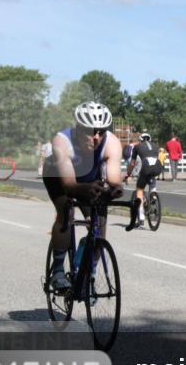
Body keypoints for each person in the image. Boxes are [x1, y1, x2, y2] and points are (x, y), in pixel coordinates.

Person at [42, 101, 124, 292]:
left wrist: (114, 190)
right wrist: (83, 191)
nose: (96, 137)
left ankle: (88, 271)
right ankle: (58, 271)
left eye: (101, 132)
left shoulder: (111, 143)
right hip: (59, 177)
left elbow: (113, 179)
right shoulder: (61, 142)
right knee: (65, 214)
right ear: (78, 129)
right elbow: (70, 185)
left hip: (88, 178)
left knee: (99, 227)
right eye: (90, 131)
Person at [125, 133, 164, 227]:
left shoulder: (137, 147)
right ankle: (153, 194)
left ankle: (141, 218)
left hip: (146, 167)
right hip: (158, 167)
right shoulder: (156, 146)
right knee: (152, 177)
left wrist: (128, 173)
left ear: (140, 140)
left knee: (139, 190)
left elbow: (132, 163)